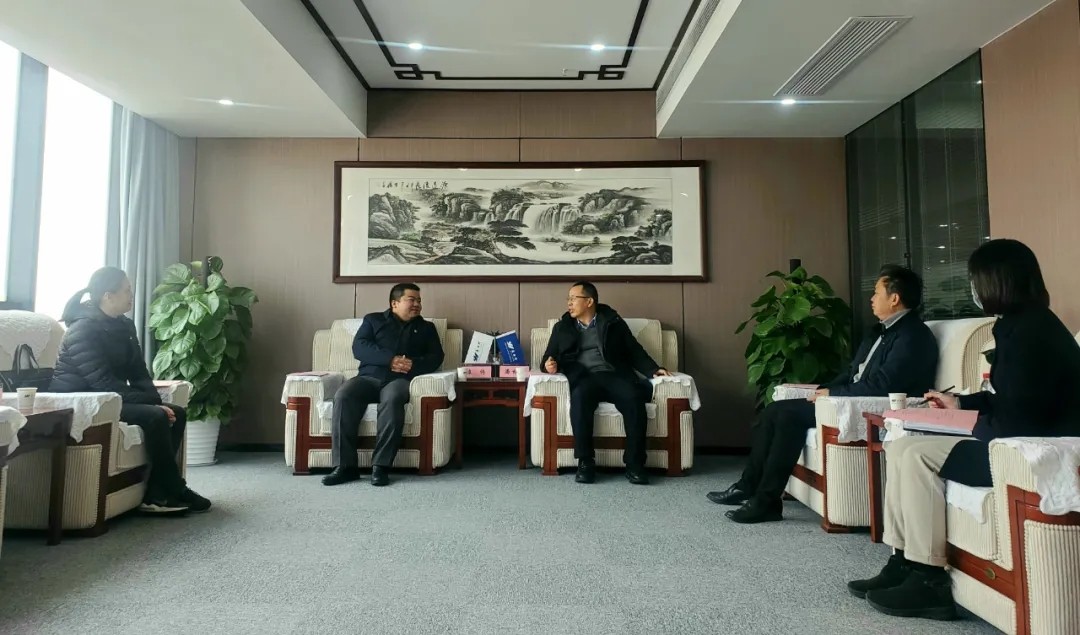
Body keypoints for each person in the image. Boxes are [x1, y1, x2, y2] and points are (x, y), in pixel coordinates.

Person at [848, 239, 1080, 621]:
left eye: (975, 279)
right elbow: (1012, 397)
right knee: (901, 446)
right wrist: (960, 403)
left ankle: (927, 579)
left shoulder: (1029, 334)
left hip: (1027, 454)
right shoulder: (1023, 324)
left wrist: (974, 426)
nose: (973, 289)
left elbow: (1022, 417)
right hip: (1012, 440)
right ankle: (902, 561)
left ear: (995, 280)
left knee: (916, 455)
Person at [708, 264, 938, 523]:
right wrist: (823, 390)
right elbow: (852, 372)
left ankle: (766, 501)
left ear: (894, 298)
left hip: (872, 407)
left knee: (787, 415)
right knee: (774, 410)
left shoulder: (913, 336)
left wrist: (833, 393)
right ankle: (748, 486)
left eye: (876, 292)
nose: (872, 298)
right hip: (850, 398)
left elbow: (884, 386)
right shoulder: (880, 331)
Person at [50, 267, 210, 514]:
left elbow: (138, 372)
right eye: (126, 290)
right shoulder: (82, 330)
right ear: (108, 296)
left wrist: (157, 402)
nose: (131, 295)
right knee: (155, 416)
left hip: (109, 397)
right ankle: (176, 488)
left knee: (175, 413)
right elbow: (102, 382)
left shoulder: (124, 325)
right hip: (83, 402)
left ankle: (157, 494)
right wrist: (152, 406)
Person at [540, 281, 670, 485]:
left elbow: (633, 349)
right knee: (579, 399)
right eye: (568, 299)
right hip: (584, 377)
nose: (569, 303)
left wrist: (653, 369)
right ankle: (585, 462)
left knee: (634, 398)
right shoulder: (562, 327)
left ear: (589, 301)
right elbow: (548, 357)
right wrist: (548, 365)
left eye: (574, 298)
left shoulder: (613, 322)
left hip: (614, 375)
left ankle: (635, 464)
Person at [322, 283, 444, 487]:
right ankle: (345, 466)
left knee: (393, 398)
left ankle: (381, 466)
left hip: (400, 380)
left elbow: (436, 357)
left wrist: (412, 364)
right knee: (344, 395)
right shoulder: (373, 320)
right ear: (394, 303)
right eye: (411, 300)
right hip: (368, 378)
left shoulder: (427, 328)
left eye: (419, 300)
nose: (417, 304)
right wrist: (389, 359)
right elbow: (360, 347)